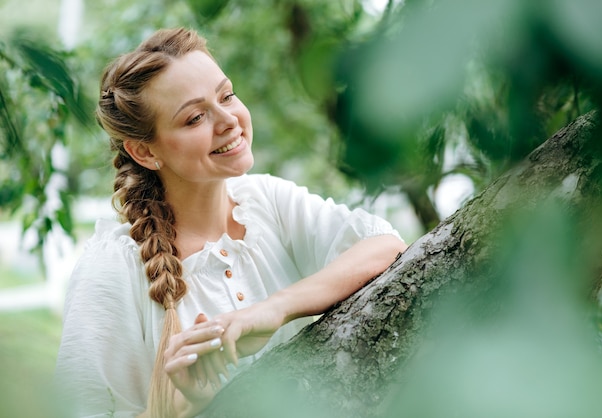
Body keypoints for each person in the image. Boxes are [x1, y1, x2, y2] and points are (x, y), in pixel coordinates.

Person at [55, 27, 407, 418]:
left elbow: (385, 246)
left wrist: (273, 310)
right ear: (144, 151)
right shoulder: (111, 269)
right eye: (194, 118)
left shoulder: (267, 202)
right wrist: (174, 410)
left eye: (227, 95)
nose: (228, 120)